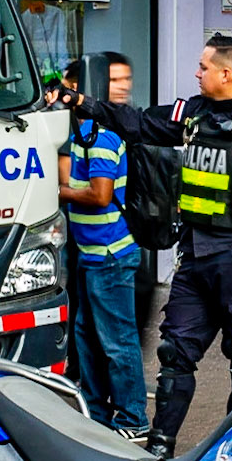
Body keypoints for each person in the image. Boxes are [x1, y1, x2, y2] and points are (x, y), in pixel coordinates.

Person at [52, 32, 232, 460]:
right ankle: (158, 450)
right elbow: (136, 123)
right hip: (194, 258)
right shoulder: (191, 114)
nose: (197, 72)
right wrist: (83, 103)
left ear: (227, 73)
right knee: (174, 354)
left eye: (204, 67)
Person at [57, 53, 146, 436]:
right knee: (88, 339)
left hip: (111, 256)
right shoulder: (77, 132)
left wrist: (55, 190)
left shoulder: (105, 134)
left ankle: (132, 420)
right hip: (89, 254)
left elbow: (100, 194)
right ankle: (94, 415)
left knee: (117, 342)